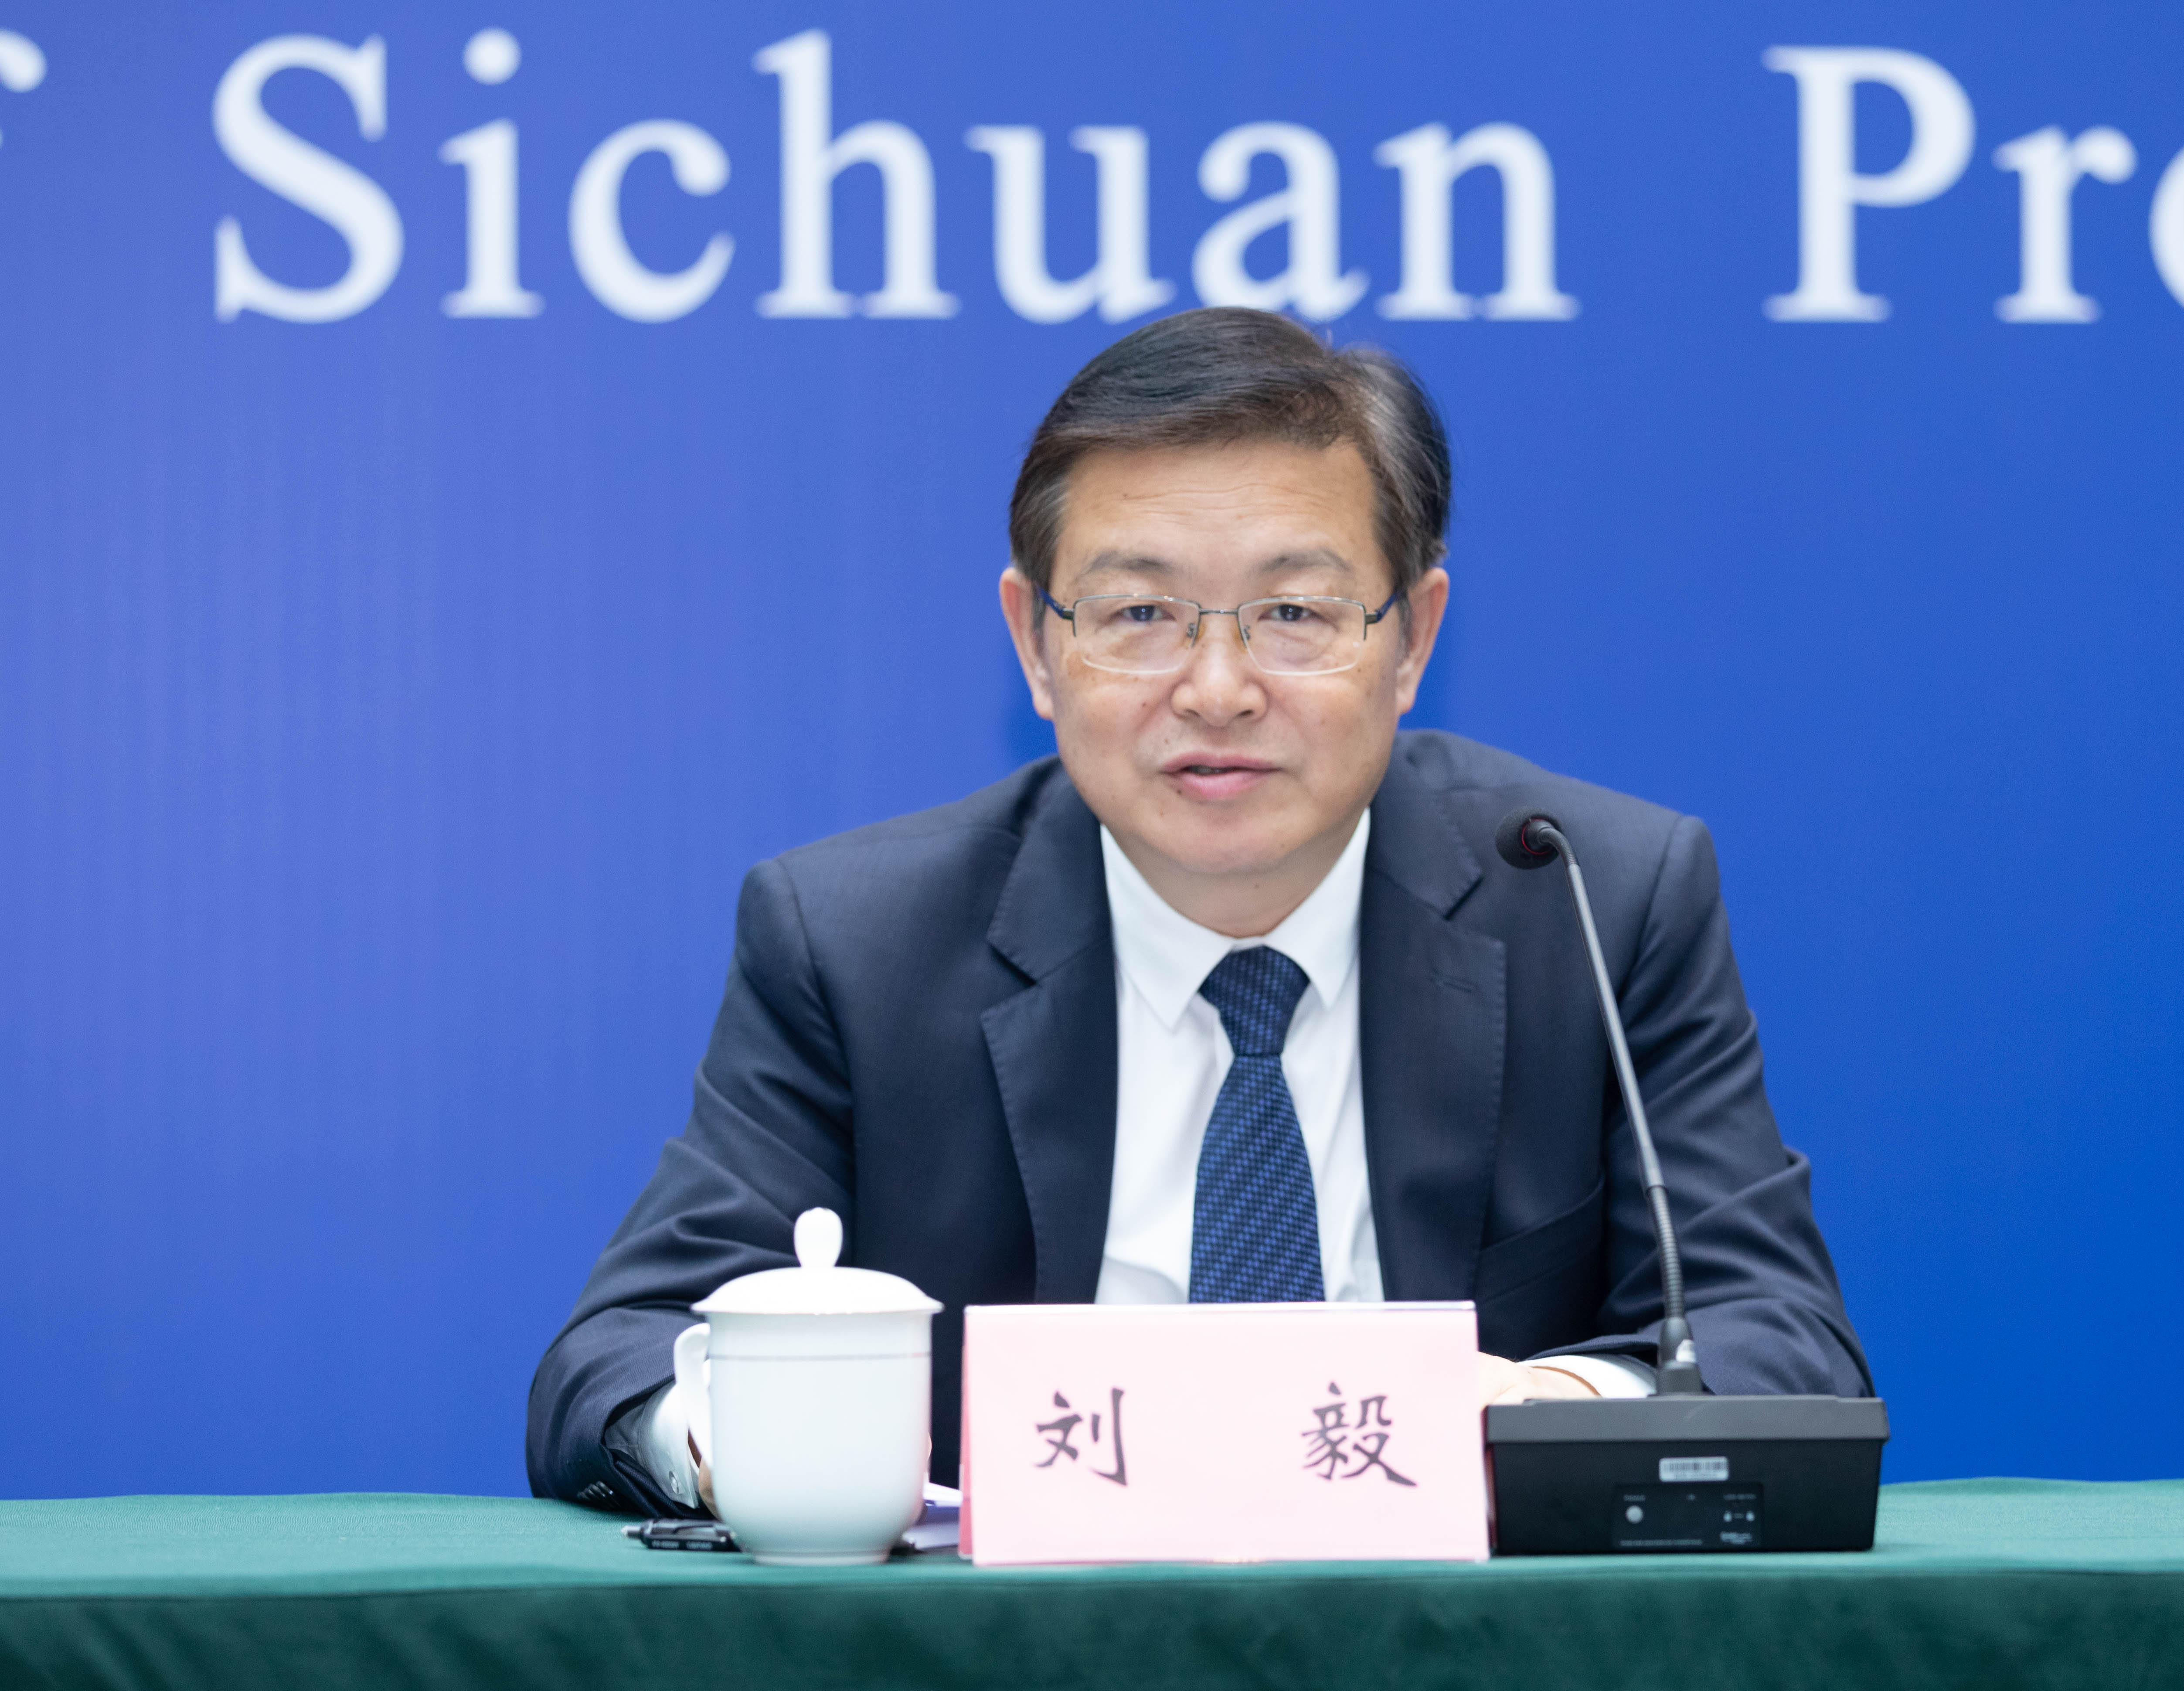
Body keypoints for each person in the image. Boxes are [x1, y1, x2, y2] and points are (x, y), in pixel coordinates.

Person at [527, 307, 1869, 1516]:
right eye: (1140, 613)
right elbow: (619, 1358)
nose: (1217, 689)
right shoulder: (856, 940)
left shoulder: (1587, 897)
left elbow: (1773, 1334)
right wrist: (756, 1438)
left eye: (1292, 611)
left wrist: (1542, 1411)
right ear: (1035, 643)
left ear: (1411, 639)